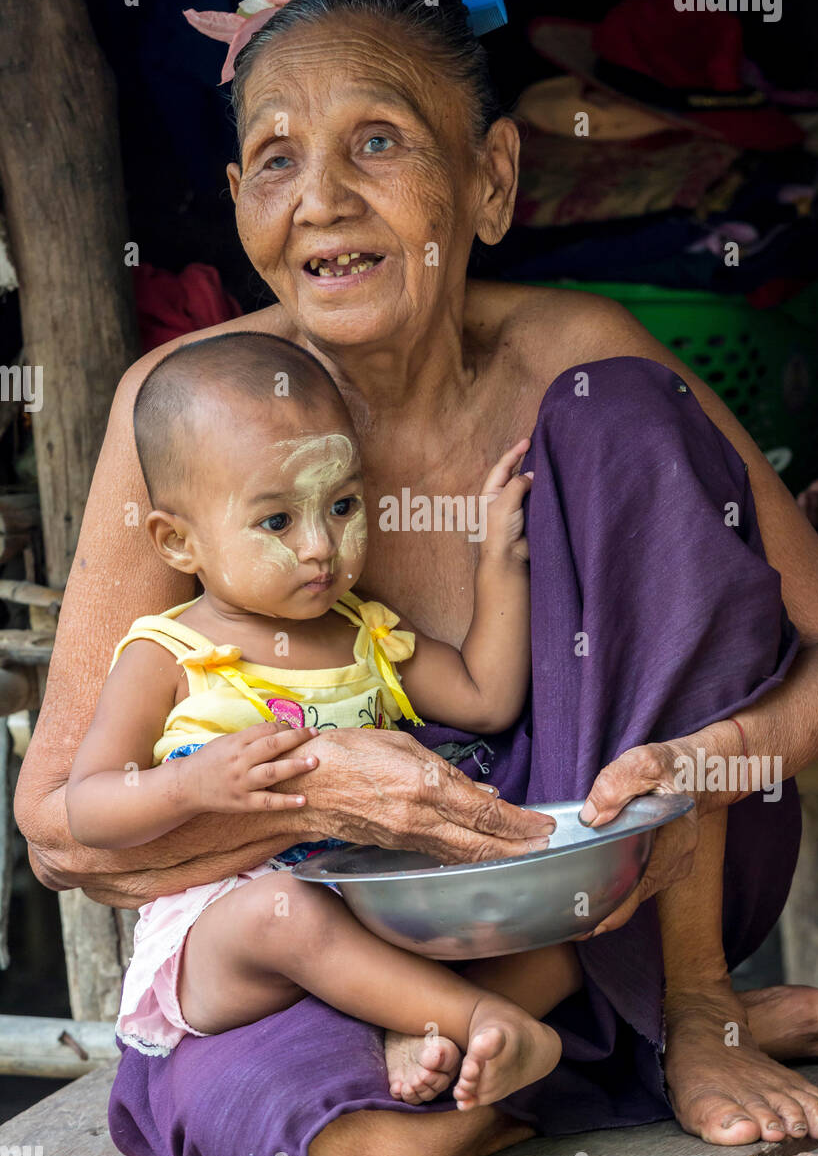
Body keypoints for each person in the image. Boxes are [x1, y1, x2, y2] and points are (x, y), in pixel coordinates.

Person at [15, 0, 818, 1156]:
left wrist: (723, 754)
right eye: (273, 159)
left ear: (490, 179)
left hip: (581, 875)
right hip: (325, 933)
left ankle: (686, 1004)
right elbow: (56, 827)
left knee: (623, 418)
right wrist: (305, 792)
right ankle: (586, 1031)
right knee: (362, 1147)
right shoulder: (190, 411)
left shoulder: (578, 349)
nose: (319, 199)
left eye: (376, 140)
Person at [66, 331, 577, 1109]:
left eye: (341, 506)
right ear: (178, 541)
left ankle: (410, 1024)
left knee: (564, 940)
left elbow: (485, 697)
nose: (320, 547)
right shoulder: (171, 654)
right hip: (229, 937)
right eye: (276, 522)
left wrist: (497, 563)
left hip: (372, 912)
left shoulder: (365, 630)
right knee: (288, 912)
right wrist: (194, 785)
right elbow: (88, 807)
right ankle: (487, 1023)